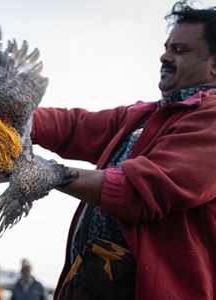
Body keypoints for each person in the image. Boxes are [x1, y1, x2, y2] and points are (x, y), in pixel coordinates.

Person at [26, 0, 216, 299]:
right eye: (167, 47)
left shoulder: (212, 117)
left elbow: (140, 190)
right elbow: (75, 126)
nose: (164, 57)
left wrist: (48, 174)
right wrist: (10, 119)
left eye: (180, 50)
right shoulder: (145, 115)